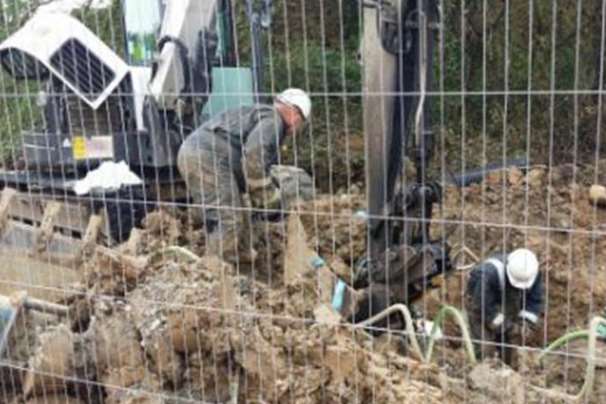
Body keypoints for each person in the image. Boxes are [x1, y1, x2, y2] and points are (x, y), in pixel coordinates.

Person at [177, 88, 311, 264]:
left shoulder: (261, 115)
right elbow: (254, 157)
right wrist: (269, 199)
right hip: (206, 157)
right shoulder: (273, 120)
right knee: (228, 218)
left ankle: (242, 266)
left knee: (239, 215)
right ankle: (214, 273)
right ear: (294, 112)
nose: (295, 129)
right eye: (300, 122)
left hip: (202, 154)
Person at [465, 248, 544, 363]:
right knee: (485, 350)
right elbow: (484, 308)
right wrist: (508, 326)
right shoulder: (488, 274)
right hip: (480, 305)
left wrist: (525, 324)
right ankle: (481, 370)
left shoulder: (531, 272)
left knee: (510, 348)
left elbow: (534, 301)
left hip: (505, 301)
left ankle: (508, 370)